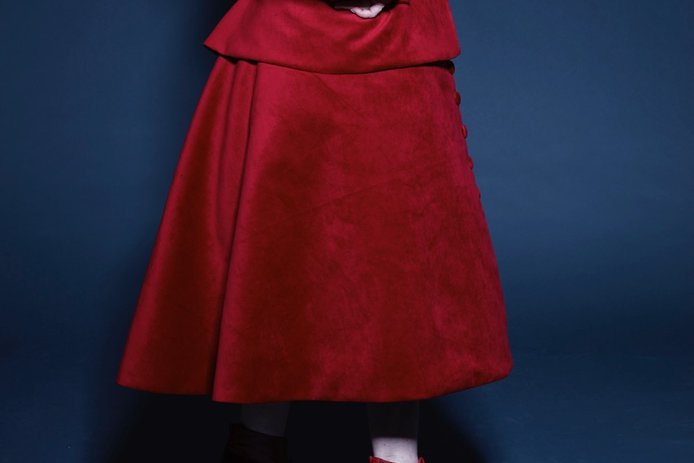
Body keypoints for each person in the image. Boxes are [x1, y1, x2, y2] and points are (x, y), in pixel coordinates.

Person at [115, 1, 513, 462]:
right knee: (275, 248)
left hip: (372, 39)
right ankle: (264, 447)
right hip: (297, 33)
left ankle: (351, 453)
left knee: (394, 260)